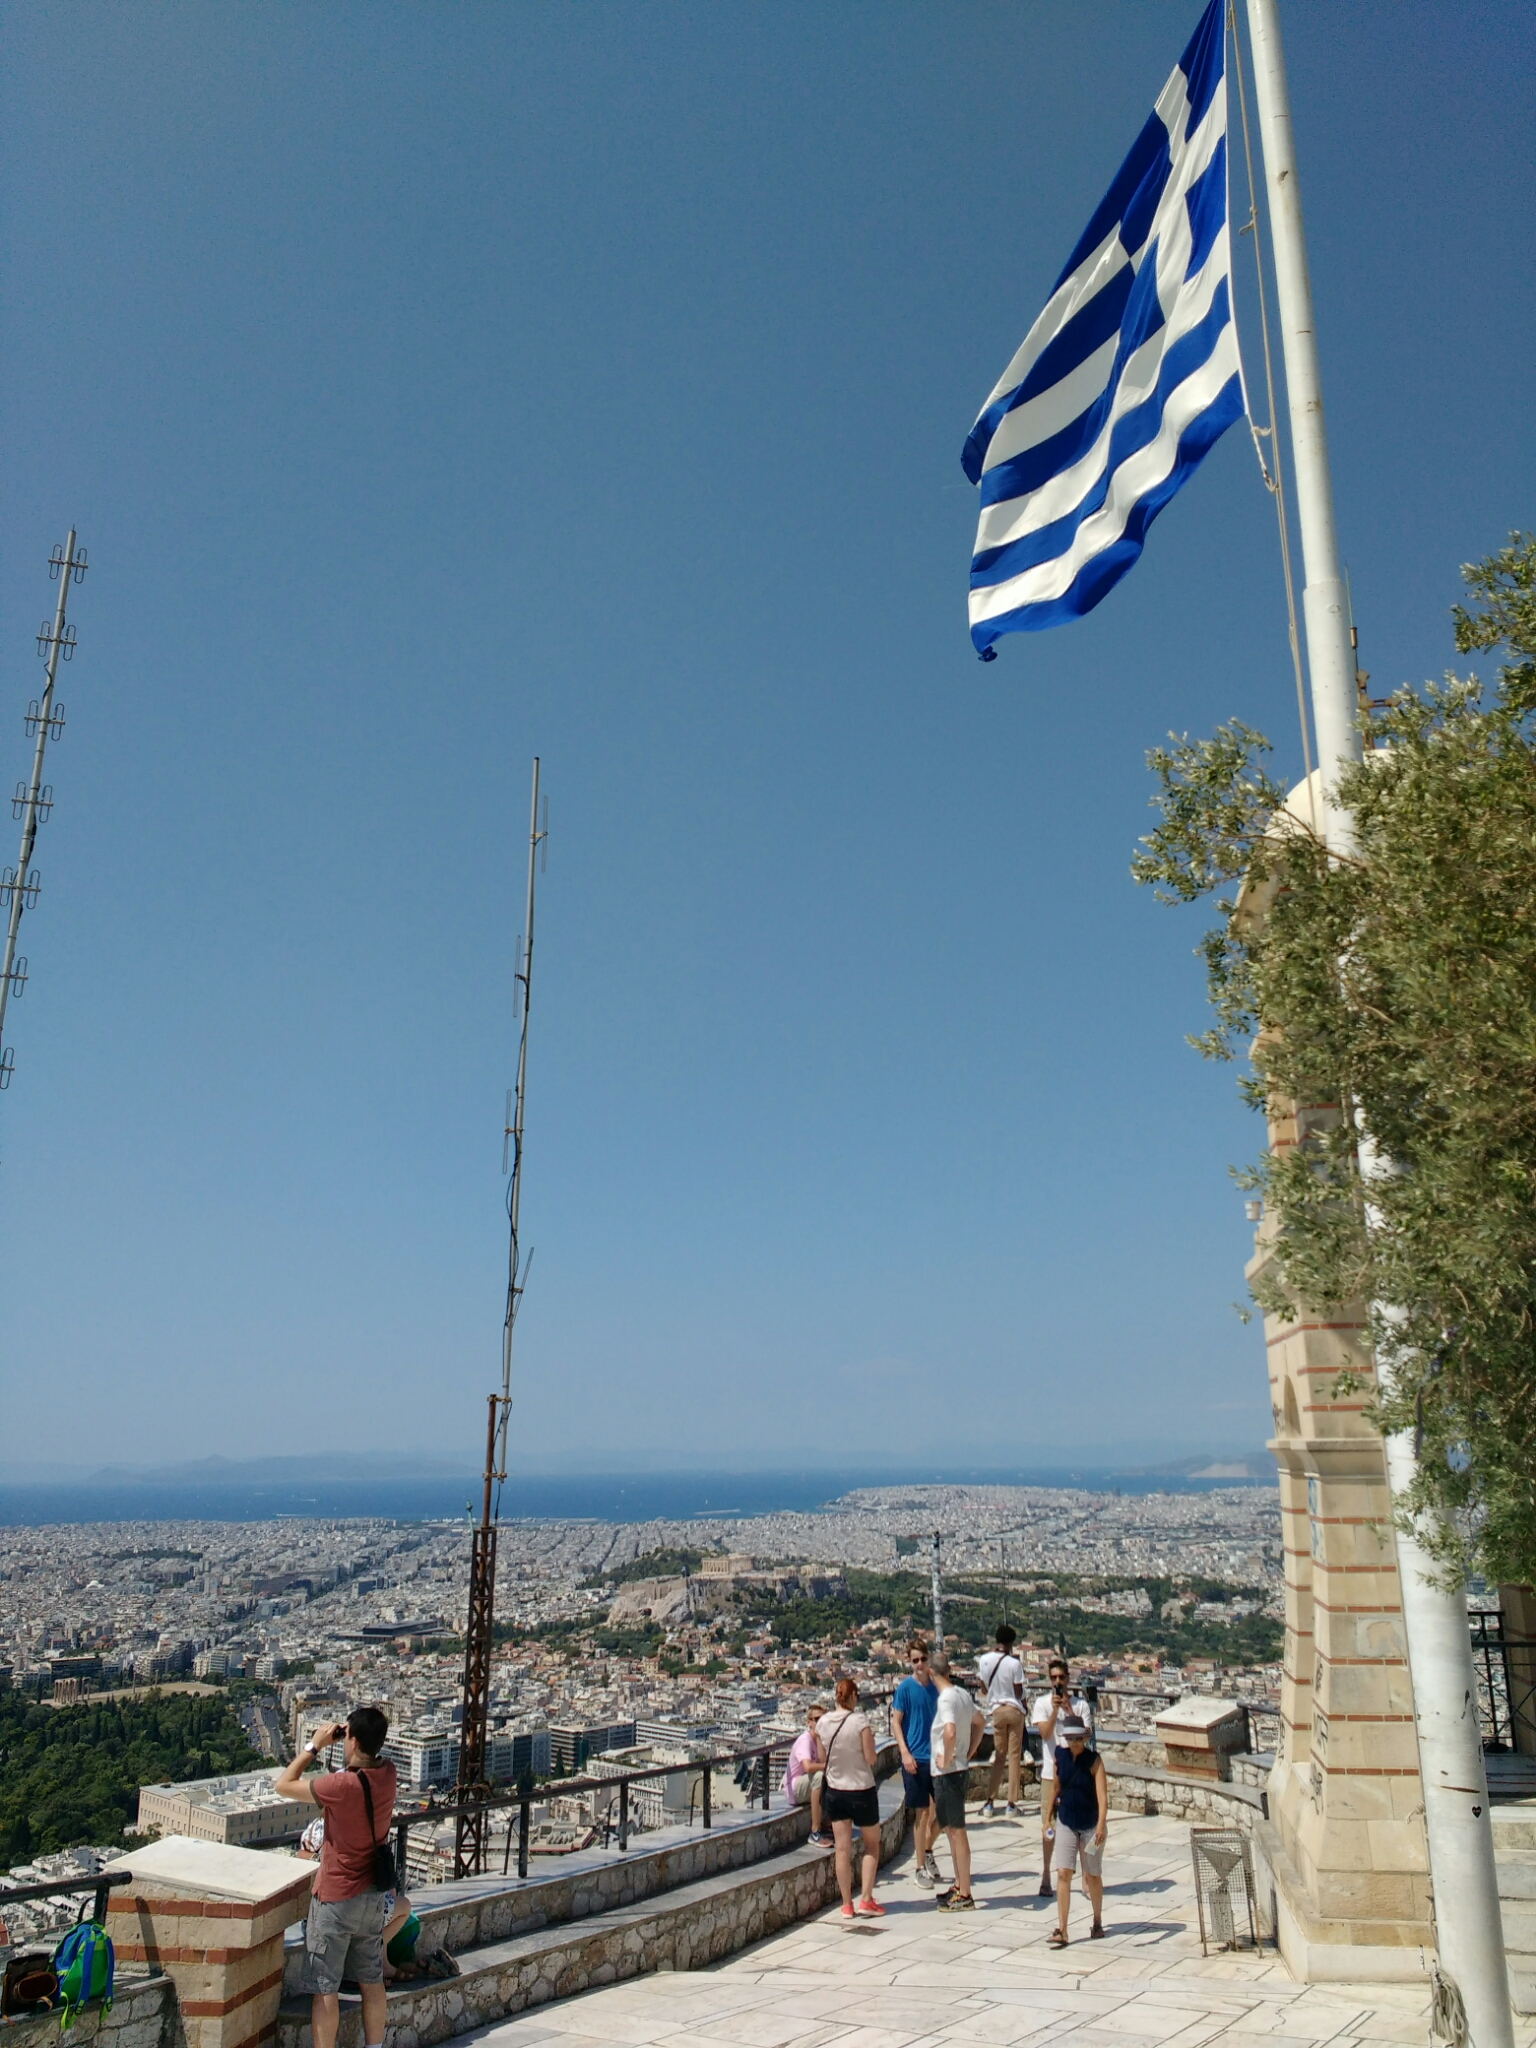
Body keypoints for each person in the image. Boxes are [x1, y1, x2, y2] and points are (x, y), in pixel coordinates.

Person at [275, 1706, 398, 2048]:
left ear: (353, 1740)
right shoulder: (388, 1772)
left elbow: (283, 1785)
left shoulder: (341, 1785)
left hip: (335, 1895)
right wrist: (358, 1736)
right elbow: (365, 1763)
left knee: (325, 1988)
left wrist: (315, 1746)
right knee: (371, 1981)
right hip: (372, 1895)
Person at [813, 1676, 885, 1921]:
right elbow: (871, 1758)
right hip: (861, 1789)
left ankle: (846, 1904)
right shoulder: (859, 1721)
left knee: (842, 1849)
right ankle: (866, 1898)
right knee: (872, 1845)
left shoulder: (823, 1723)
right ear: (853, 1696)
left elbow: (822, 1757)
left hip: (835, 1791)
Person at [1031, 1656, 1093, 1898]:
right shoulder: (1042, 1704)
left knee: (1082, 1828)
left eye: (1061, 1677)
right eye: (1053, 1678)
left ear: (1068, 1679)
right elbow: (1045, 1734)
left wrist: (1068, 1712)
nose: (1058, 1681)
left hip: (1076, 1773)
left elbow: (1085, 1736)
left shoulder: (1081, 1706)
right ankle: (1047, 1874)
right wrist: (1055, 1709)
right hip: (1051, 1773)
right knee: (1049, 1827)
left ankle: (1086, 1877)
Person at [1045, 1717, 1107, 1947]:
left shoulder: (1094, 1760)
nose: (1074, 1742)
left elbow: (1103, 1797)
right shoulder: (1059, 1757)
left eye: (1078, 1738)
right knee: (1063, 1872)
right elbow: (1055, 1788)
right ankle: (1062, 1929)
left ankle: (1097, 1920)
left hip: (1091, 1824)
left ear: (1084, 1738)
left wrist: (1100, 1826)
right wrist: (1047, 1819)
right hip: (1066, 1820)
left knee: (1092, 1874)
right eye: (1070, 1738)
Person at [928, 1653, 982, 1910]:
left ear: (931, 1673)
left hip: (948, 1773)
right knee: (951, 1830)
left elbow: (949, 1732)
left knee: (957, 1831)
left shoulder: (946, 1698)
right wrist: (967, 1753)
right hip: (958, 1768)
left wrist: (948, 1758)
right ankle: (959, 1884)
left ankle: (965, 1893)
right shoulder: (962, 1694)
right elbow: (980, 1722)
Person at [892, 1638, 941, 1888]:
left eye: (922, 1659)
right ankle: (920, 1866)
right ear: (909, 1662)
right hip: (915, 1758)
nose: (919, 1664)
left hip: (937, 1758)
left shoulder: (937, 1687)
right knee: (921, 1814)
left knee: (944, 1812)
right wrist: (904, 1752)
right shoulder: (904, 1689)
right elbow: (896, 1721)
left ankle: (927, 1849)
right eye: (915, 1660)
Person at [977, 1624, 1027, 1816]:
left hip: (996, 1710)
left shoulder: (984, 1660)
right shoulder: (1014, 1664)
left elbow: (983, 1688)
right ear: (1011, 1642)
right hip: (1014, 1710)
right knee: (1014, 1756)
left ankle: (989, 1802)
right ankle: (1011, 1804)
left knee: (999, 1756)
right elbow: (1018, 1692)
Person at [784, 1702, 831, 1845]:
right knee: (819, 1776)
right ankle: (815, 1831)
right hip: (794, 1789)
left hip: (807, 1784)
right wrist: (828, 1766)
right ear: (808, 1722)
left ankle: (827, 1823)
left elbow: (822, 1761)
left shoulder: (819, 1740)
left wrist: (820, 1739)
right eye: (816, 1719)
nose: (819, 1723)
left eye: (822, 1719)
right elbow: (808, 1767)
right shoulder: (804, 1740)